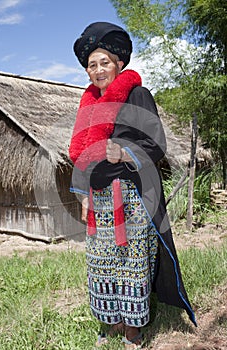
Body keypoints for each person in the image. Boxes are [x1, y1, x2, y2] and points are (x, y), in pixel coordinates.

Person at [69, 22, 196, 349]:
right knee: (101, 264)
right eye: (91, 65)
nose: (97, 70)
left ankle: (132, 331)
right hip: (99, 202)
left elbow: (157, 144)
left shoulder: (137, 95)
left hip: (133, 199)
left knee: (131, 265)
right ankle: (110, 322)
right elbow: (83, 155)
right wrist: (84, 194)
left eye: (104, 62)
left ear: (119, 63)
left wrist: (124, 152)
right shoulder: (90, 104)